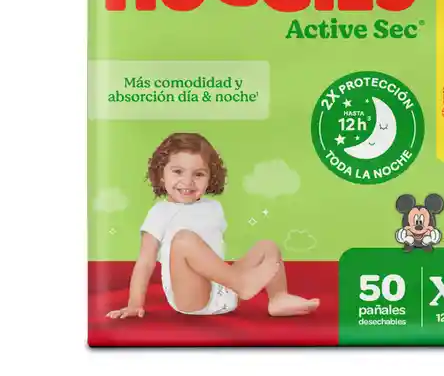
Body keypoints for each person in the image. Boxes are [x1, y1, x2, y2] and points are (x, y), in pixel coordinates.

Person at [107, 132, 320, 319]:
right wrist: (135, 304)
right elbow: (145, 263)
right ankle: (242, 283)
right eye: (178, 172)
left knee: (267, 246)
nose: (188, 181)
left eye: (198, 174)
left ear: (211, 177)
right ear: (161, 174)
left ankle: (278, 298)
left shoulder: (214, 207)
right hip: (191, 299)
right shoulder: (159, 213)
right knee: (183, 240)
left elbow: (214, 253)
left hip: (225, 292)